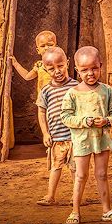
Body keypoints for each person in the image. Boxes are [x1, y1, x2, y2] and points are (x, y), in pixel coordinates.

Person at [59, 46, 112, 224]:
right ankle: (75, 211)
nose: (90, 73)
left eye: (94, 68)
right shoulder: (72, 94)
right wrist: (84, 121)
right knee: (80, 175)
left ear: (100, 66)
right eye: (84, 70)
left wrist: (107, 121)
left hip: (101, 140)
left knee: (102, 174)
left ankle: (106, 211)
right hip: (81, 141)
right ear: (77, 70)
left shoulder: (107, 90)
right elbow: (65, 116)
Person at [33, 46, 78, 206]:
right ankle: (50, 196)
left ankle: (76, 197)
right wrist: (45, 133)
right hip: (56, 138)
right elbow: (41, 113)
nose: (57, 71)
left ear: (67, 62)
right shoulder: (46, 91)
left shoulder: (76, 87)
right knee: (55, 167)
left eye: (60, 66)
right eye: (51, 69)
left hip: (74, 138)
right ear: (45, 69)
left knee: (75, 169)